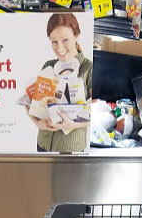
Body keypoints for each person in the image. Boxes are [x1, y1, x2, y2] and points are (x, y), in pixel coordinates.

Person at [26, 13, 93, 153]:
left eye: (65, 40)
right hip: (43, 145)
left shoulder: (89, 68)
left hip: (69, 149)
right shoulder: (48, 66)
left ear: (76, 36)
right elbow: (30, 103)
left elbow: (96, 113)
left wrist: (73, 124)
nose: (59, 48)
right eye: (54, 42)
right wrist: (38, 122)